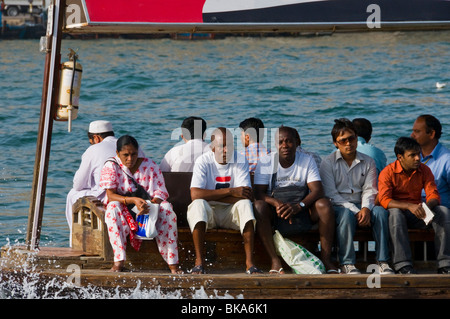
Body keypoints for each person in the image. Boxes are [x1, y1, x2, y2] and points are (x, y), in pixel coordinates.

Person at [253, 126, 338, 274]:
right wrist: (277, 203)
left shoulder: (306, 160)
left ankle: (326, 258)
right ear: (275, 145)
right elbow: (258, 193)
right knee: (259, 206)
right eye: (280, 142)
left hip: (302, 209)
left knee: (324, 204)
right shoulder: (267, 161)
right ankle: (274, 260)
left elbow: (318, 190)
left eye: (288, 141)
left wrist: (299, 206)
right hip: (277, 212)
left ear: (297, 142)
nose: (284, 145)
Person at [99, 135, 182, 273]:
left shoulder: (150, 165)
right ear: (117, 153)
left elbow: (161, 192)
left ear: (138, 152)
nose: (130, 159)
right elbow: (111, 195)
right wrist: (133, 201)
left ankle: (173, 263)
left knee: (167, 208)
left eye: (133, 154)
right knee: (112, 208)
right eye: (125, 155)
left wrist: (150, 205)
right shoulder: (111, 166)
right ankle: (118, 261)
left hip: (149, 210)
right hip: (124, 209)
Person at [319, 118, 393, 274]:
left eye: (351, 138)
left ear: (356, 137)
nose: (348, 143)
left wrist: (365, 208)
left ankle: (382, 261)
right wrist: (356, 210)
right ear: (335, 143)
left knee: (380, 213)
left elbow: (370, 189)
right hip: (340, 206)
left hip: (364, 204)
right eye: (343, 140)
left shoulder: (368, 161)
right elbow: (332, 194)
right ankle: (347, 263)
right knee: (346, 215)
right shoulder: (327, 163)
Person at [187, 127, 261, 274]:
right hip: (209, 211)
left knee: (245, 205)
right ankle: (199, 262)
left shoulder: (240, 159)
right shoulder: (203, 161)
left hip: (230, 211)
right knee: (197, 205)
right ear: (213, 148)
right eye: (222, 146)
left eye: (230, 146)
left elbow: (245, 195)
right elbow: (195, 194)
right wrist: (231, 191)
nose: (226, 150)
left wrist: (211, 194)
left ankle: (249, 263)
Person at [378, 137, 450, 274]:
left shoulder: (425, 170)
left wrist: (426, 207)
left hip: (418, 212)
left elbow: (434, 195)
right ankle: (403, 265)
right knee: (395, 214)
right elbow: (384, 200)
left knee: (444, 212)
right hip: (398, 214)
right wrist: (408, 206)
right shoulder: (388, 172)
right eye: (412, 155)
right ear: (400, 157)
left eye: (419, 154)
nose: (418, 158)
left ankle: (445, 264)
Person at [65, 120, 117, 245]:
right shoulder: (127, 145)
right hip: (131, 193)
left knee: (72, 194)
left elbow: (78, 184)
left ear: (96, 138)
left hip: (107, 195)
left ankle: (75, 241)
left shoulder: (94, 149)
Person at [411, 114, 450, 208]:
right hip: (411, 207)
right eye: (413, 131)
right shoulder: (409, 156)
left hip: (438, 210)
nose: (412, 135)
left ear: (431, 134)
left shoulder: (447, 160)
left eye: (417, 132)